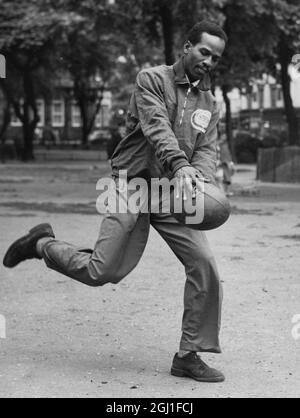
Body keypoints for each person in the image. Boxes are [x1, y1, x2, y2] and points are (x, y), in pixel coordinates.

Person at [3, 21, 228, 383]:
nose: (208, 61)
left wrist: (199, 181)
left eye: (215, 57)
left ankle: (188, 355)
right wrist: (182, 165)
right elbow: (157, 128)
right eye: (204, 52)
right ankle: (42, 244)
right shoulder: (151, 80)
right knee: (102, 271)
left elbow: (207, 150)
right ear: (186, 47)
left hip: (172, 193)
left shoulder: (208, 103)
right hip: (131, 184)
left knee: (205, 266)